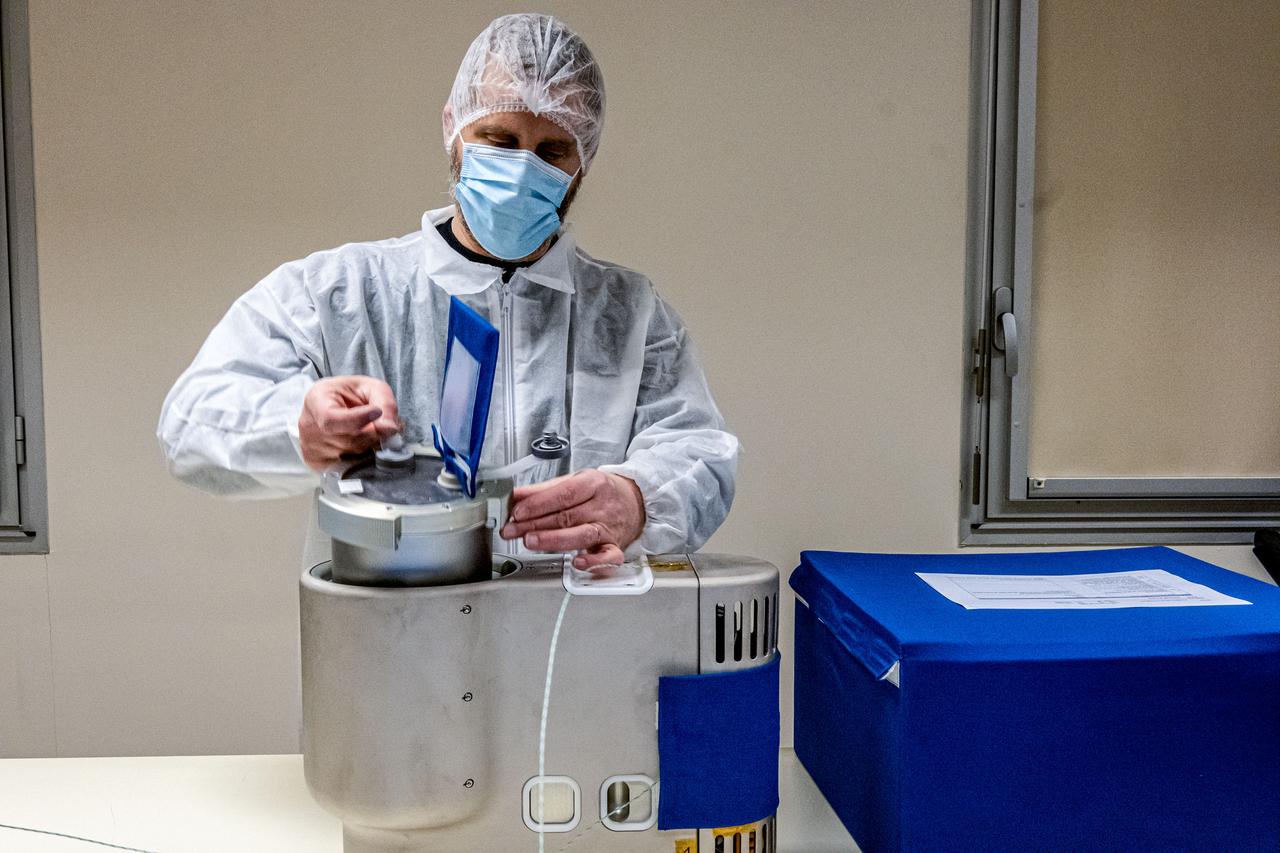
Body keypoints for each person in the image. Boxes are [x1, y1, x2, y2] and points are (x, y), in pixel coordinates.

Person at [157, 13, 737, 568]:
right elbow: (190, 425)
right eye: (499, 139)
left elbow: (700, 455)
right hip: (396, 637)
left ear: (582, 162)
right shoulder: (337, 294)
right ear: (453, 129)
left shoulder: (631, 316)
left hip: (570, 638)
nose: (520, 171)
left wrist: (637, 499)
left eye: (550, 150)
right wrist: (298, 426)